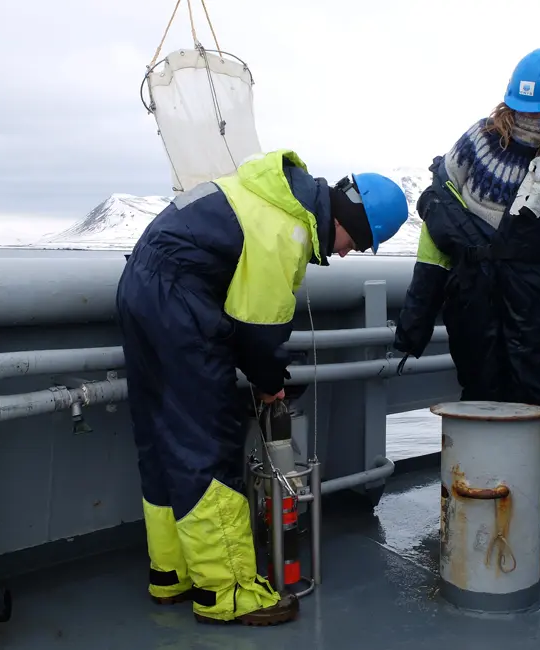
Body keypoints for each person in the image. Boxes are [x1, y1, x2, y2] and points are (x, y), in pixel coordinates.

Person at [116, 149, 408, 626]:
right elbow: (261, 328)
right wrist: (272, 385)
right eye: (354, 241)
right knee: (206, 445)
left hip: (142, 289)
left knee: (161, 439)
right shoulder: (285, 229)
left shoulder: (273, 194)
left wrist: (265, 371)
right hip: (179, 306)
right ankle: (226, 592)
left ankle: (171, 572)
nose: (343, 253)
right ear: (348, 218)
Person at [393, 48, 540, 520]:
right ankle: (478, 505)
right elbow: (434, 233)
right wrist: (414, 322)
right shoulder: (473, 146)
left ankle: (531, 513)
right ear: (506, 103)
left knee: (533, 404)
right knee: (478, 395)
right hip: (472, 295)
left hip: (531, 296)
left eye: (537, 111)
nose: (527, 119)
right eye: (520, 109)